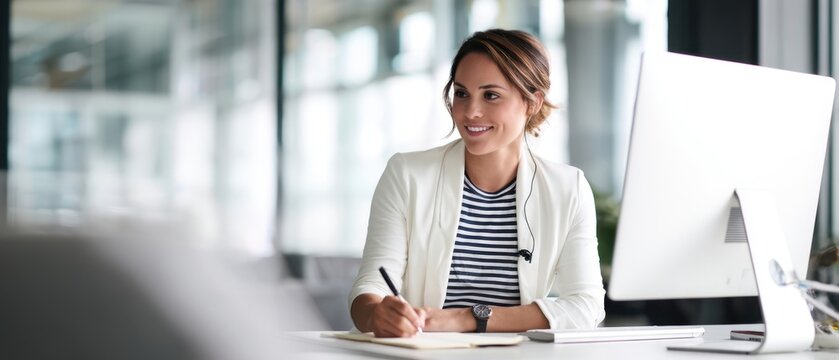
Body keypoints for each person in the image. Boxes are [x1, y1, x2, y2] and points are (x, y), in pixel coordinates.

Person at [349, 29, 605, 338]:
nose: (471, 112)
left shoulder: (568, 188)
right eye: (462, 93)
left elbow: (586, 306)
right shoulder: (406, 174)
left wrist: (465, 319)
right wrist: (377, 315)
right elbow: (369, 290)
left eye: (491, 95)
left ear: (533, 101)